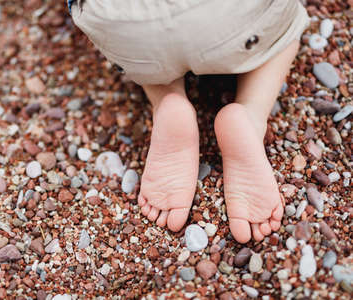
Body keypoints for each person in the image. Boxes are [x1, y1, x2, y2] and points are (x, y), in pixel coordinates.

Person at [68, 0, 310, 243]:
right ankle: (251, 113)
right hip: (230, 18)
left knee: (140, 37)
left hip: (130, 29)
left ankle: (166, 98)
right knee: (282, 38)